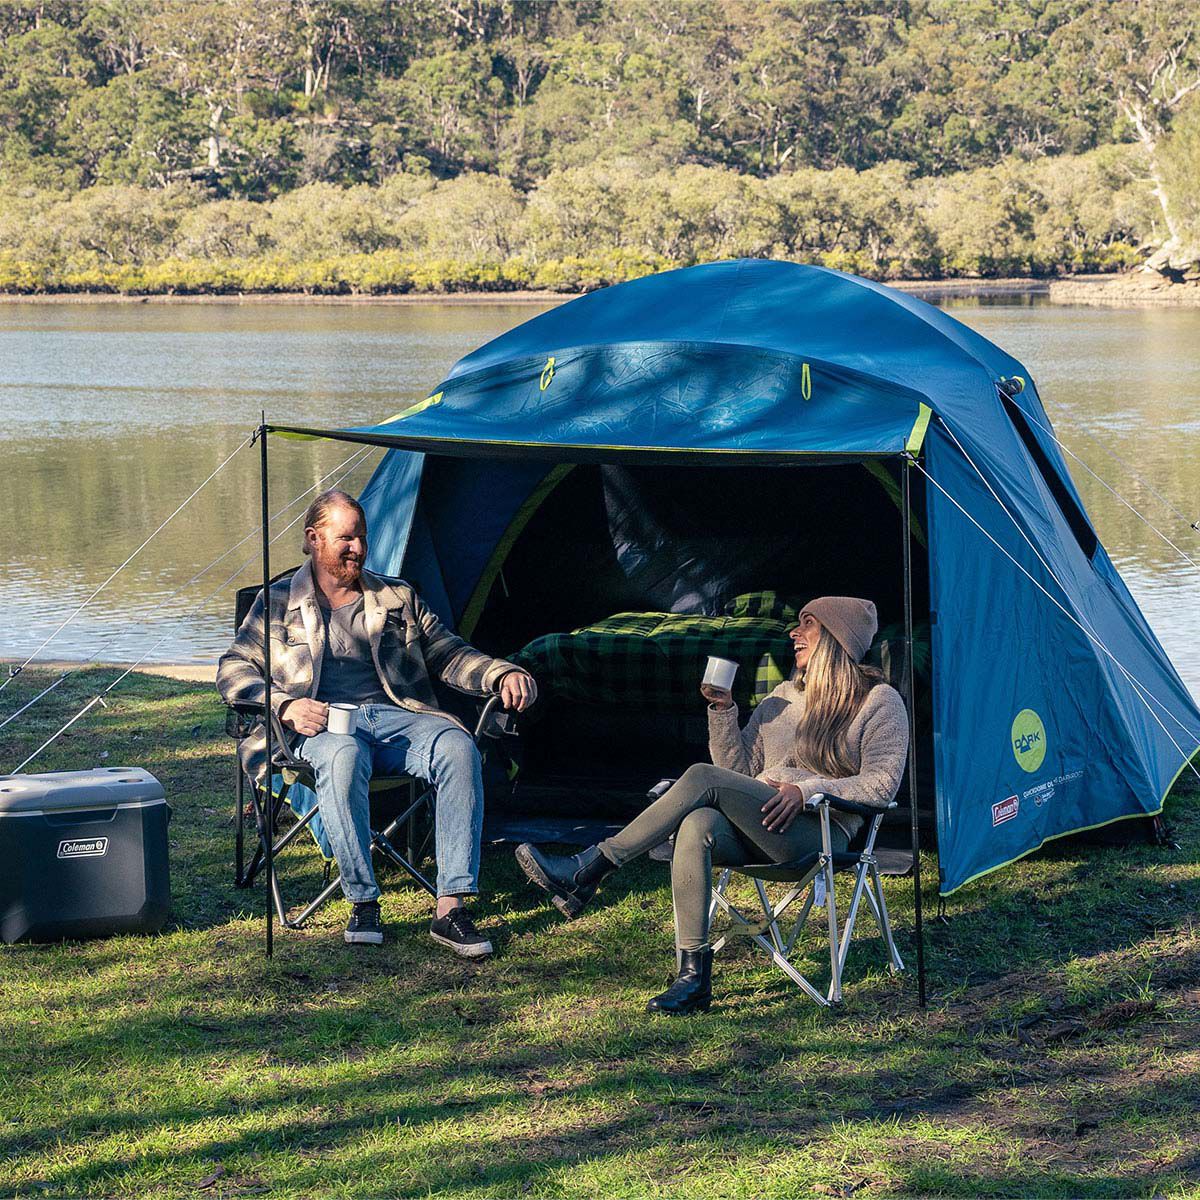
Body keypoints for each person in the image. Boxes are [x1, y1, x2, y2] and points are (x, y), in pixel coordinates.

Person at [515, 596, 908, 1014]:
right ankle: (693, 979)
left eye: (807, 624)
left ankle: (592, 866)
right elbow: (737, 771)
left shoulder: (878, 701)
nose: (794, 633)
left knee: (701, 777)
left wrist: (806, 790)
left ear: (836, 637)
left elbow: (882, 784)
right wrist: (723, 711)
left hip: (816, 835)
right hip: (759, 825)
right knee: (698, 822)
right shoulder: (782, 696)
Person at [219, 488, 537, 956]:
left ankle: (451, 906)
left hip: (396, 718)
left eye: (362, 537)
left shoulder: (396, 597)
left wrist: (498, 671)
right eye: (346, 538)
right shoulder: (276, 602)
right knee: (344, 755)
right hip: (316, 726)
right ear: (313, 538)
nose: (358, 548)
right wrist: (285, 706)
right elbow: (232, 668)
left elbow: (448, 653)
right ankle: (363, 899)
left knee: (457, 746)